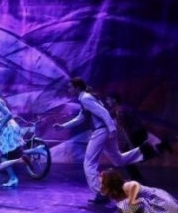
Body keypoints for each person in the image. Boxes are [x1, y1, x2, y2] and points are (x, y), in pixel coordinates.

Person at [53, 77, 155, 205]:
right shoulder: (85, 98)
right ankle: (144, 150)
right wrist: (63, 126)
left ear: (77, 87)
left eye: (70, 87)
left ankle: (101, 193)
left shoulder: (85, 98)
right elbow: (81, 118)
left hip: (101, 131)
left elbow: (103, 113)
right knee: (118, 159)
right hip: (105, 130)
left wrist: (112, 129)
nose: (69, 89)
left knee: (89, 163)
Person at [104, 92, 149, 183]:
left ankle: (136, 177)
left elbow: (126, 128)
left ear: (114, 100)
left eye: (108, 99)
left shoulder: (120, 111)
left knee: (124, 156)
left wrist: (130, 143)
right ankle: (136, 176)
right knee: (125, 156)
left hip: (136, 134)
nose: (107, 101)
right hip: (138, 133)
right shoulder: (121, 108)